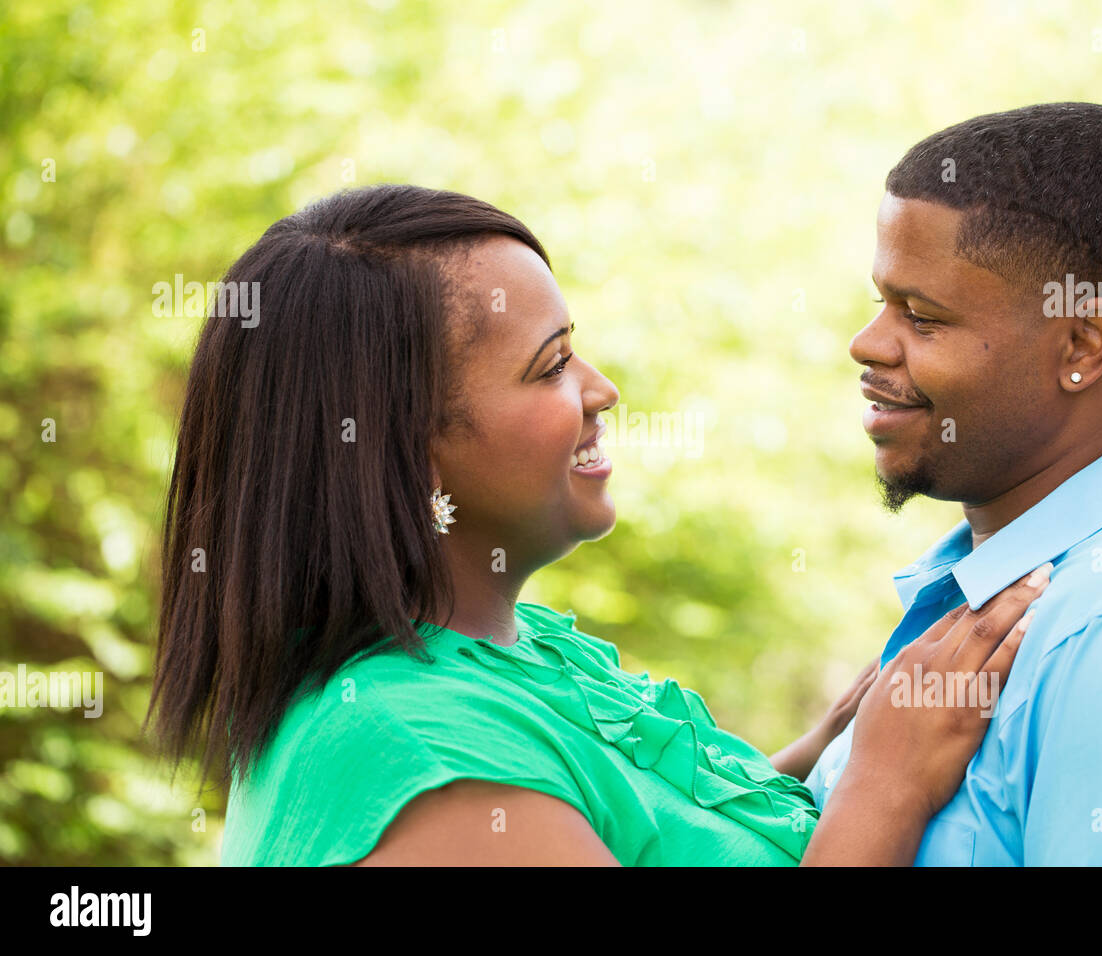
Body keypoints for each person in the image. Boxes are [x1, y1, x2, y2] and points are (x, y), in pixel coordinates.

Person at [146, 184, 1048, 866]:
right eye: (551, 367)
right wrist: (884, 790)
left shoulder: (509, 655)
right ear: (401, 449)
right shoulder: (435, 770)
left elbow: (629, 833)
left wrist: (816, 762)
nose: (602, 391)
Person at [805, 102, 1102, 865]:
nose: (866, 344)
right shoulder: (996, 608)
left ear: (1083, 343)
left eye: (923, 317)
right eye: (882, 302)